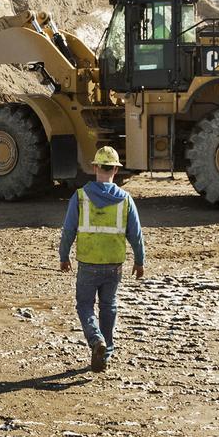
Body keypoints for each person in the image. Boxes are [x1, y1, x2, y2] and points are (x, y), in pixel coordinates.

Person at [59, 146, 145, 372]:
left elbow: (68, 230)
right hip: (114, 264)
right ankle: (105, 354)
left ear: (95, 167)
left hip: (88, 263)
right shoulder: (125, 200)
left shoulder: (80, 197)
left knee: (85, 305)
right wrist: (140, 260)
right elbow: (135, 233)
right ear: (115, 170)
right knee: (109, 306)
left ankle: (96, 340)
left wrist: (63, 256)